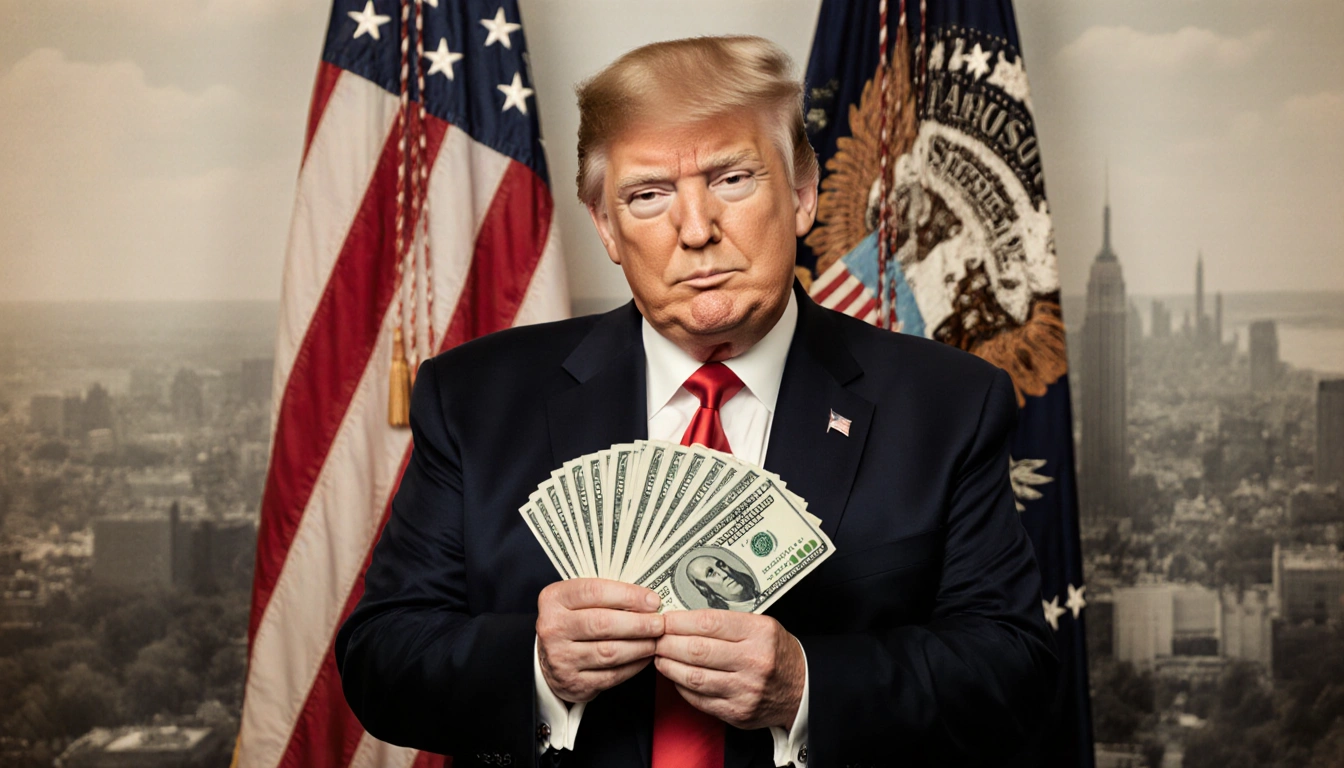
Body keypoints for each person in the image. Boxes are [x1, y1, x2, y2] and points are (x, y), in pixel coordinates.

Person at [336, 36, 1057, 768]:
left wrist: (808, 687)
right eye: (647, 196)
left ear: (803, 194)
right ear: (606, 227)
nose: (695, 230)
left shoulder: (948, 405)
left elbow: (1014, 670)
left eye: (733, 179)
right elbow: (380, 658)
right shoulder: (474, 400)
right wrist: (534, 667)